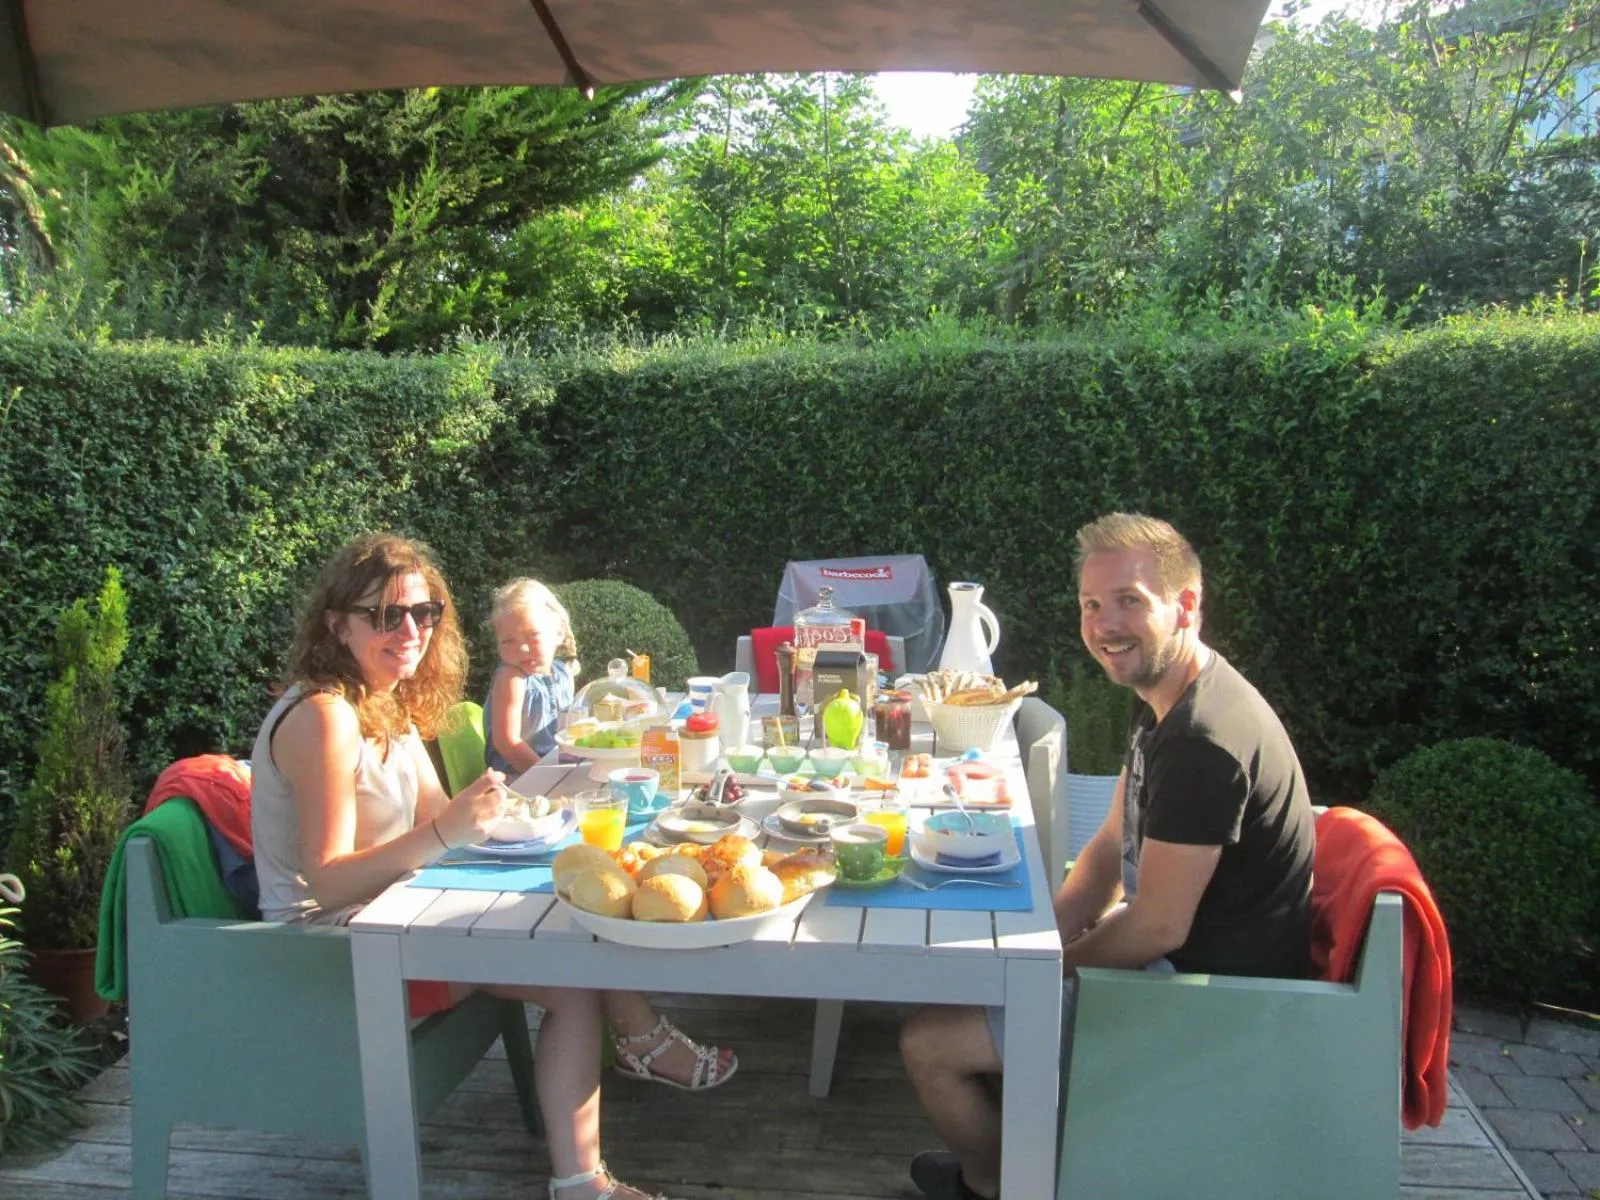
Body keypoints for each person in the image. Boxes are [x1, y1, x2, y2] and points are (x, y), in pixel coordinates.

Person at [250, 534, 736, 1200]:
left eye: (426, 613)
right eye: (387, 616)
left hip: (397, 907)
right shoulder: (325, 717)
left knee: (571, 907)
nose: (411, 631)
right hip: (336, 949)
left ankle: (634, 1054)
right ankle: (590, 1164)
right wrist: (450, 829)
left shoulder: (379, 699)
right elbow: (328, 878)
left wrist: (519, 809)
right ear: (337, 622)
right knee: (569, 969)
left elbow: (436, 816)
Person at [899, 512, 1316, 1200]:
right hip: (1176, 970)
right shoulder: (1166, 696)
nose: (1105, 624)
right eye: (1092, 604)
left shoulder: (1204, 739)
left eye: (1130, 601)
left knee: (928, 1042)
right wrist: (1033, 949)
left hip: (1209, 1004)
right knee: (971, 983)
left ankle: (997, 1184)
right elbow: (1104, 851)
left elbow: (1158, 925)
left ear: (1186, 605)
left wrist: (1038, 975)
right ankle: (1035, 1156)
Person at [484, 577, 579, 777]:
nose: (522, 648)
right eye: (508, 641)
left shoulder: (563, 673)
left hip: (556, 769)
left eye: (532, 635)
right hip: (516, 779)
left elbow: (569, 731)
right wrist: (548, 777)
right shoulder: (512, 679)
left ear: (558, 633)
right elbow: (507, 743)